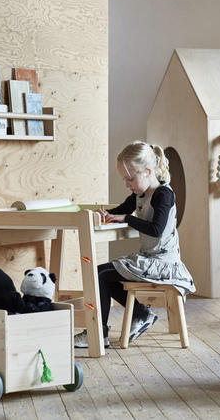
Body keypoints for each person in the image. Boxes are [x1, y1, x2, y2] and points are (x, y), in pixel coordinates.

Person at [74, 141, 195, 349]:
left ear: (147, 172)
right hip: (150, 259)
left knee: (101, 274)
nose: (127, 184)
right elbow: (121, 209)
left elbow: (156, 229)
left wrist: (127, 219)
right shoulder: (140, 194)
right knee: (103, 274)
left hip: (163, 263)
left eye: (130, 179)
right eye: (124, 179)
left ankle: (99, 333)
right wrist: (106, 215)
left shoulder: (163, 194)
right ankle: (140, 314)